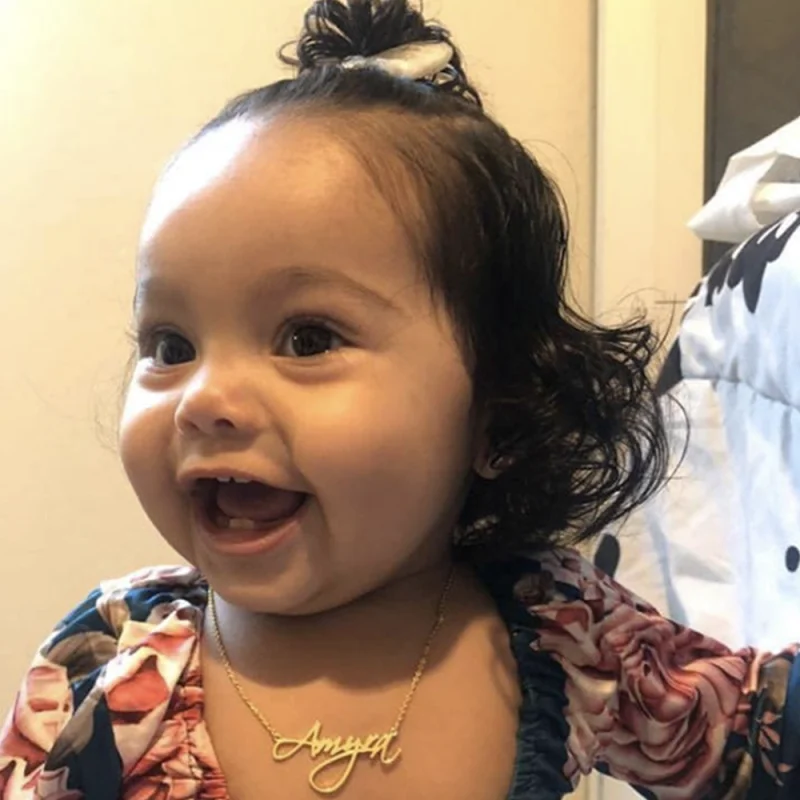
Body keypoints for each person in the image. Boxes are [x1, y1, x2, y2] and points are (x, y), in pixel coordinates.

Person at [1, 2, 798, 798]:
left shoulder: (565, 629)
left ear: (497, 415)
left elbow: (759, 739)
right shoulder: (110, 657)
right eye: (172, 346)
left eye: (307, 338)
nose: (204, 398)